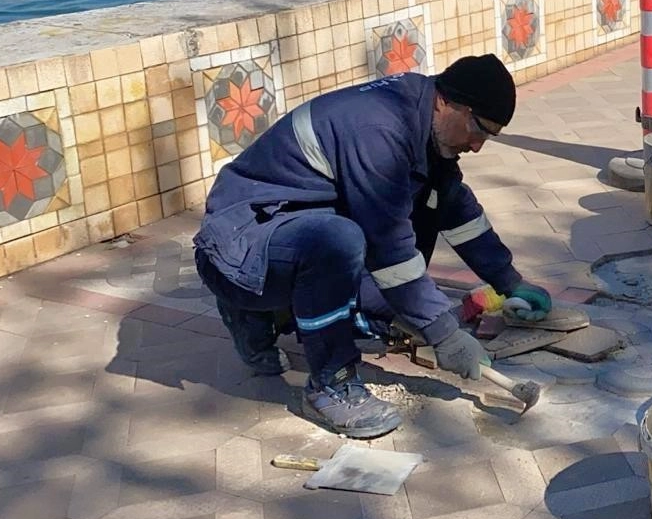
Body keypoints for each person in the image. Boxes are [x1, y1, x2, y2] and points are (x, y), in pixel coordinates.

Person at [192, 55, 553, 439]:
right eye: (478, 129)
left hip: (294, 235)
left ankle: (276, 314)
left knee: (395, 308)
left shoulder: (422, 122)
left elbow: (454, 207)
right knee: (340, 244)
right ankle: (331, 383)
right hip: (241, 248)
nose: (477, 146)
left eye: (489, 136)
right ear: (446, 102)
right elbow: (390, 248)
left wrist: (510, 282)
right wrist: (444, 333)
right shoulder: (378, 129)